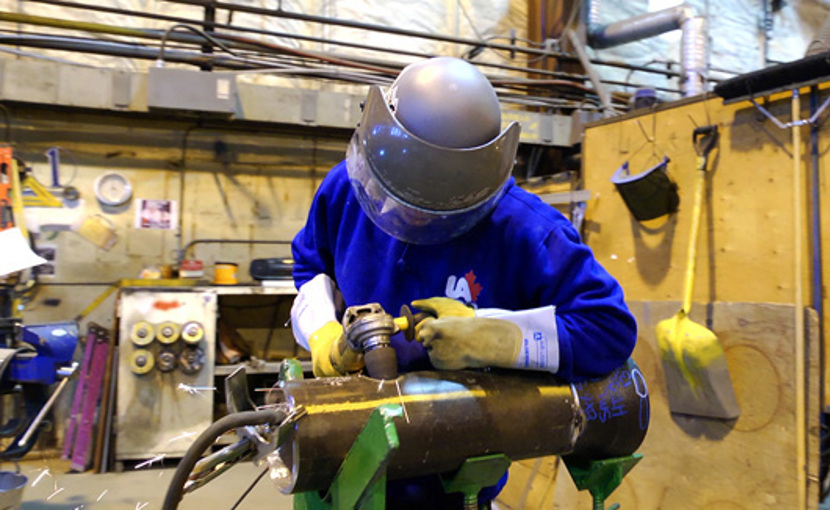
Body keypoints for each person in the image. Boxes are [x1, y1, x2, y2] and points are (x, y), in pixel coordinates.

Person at [290, 56, 637, 509]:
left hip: (454, 480)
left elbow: (607, 329)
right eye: (396, 198)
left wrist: (500, 338)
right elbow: (310, 265)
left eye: (431, 211)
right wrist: (322, 332)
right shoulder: (348, 188)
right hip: (342, 461)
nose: (408, 218)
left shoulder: (525, 231)